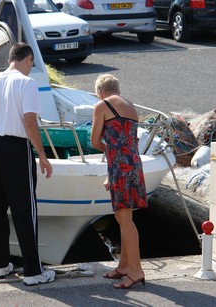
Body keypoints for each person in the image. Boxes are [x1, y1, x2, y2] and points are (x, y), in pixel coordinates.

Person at [0, 42, 55, 286]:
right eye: (31, 64)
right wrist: (42, 154)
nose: (31, 68)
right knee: (24, 209)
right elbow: (29, 121)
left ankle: (0, 265)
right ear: (28, 59)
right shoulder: (27, 83)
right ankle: (33, 271)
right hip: (15, 147)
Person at [90, 74, 147, 289]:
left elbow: (95, 141)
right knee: (122, 215)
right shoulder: (130, 107)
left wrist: (111, 151)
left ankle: (136, 271)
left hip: (120, 167)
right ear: (118, 90)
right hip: (133, 164)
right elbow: (129, 142)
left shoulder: (102, 105)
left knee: (125, 219)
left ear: (100, 92)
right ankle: (124, 265)